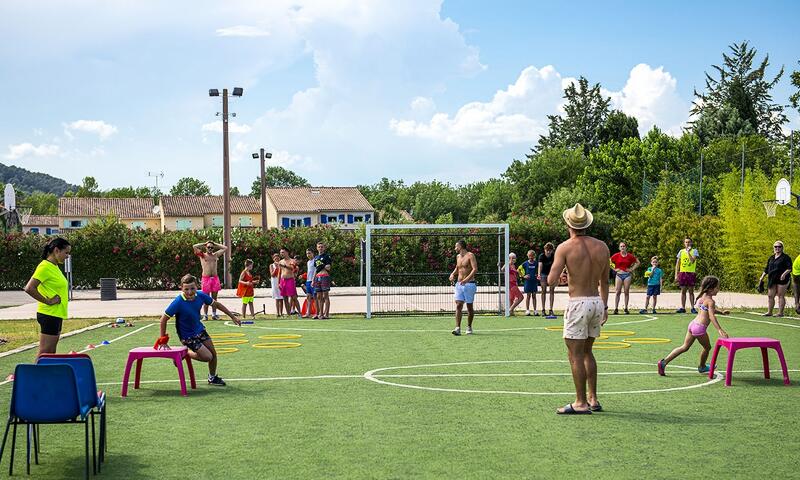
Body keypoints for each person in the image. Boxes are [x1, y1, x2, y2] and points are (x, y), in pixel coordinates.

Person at [549, 204, 609, 415]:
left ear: (569, 224)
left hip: (578, 303)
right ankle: (593, 398)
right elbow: (605, 281)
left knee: (574, 355)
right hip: (596, 302)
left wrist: (564, 273)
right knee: (587, 352)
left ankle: (580, 402)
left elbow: (551, 280)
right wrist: (605, 306)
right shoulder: (602, 246)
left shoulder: (564, 247)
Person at [156, 274, 241, 386]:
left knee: (213, 354)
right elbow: (163, 320)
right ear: (181, 288)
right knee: (207, 357)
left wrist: (232, 316)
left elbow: (217, 304)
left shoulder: (201, 295)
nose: (190, 292)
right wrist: (163, 341)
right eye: (186, 289)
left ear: (197, 287)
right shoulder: (178, 302)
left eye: (192, 288)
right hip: (187, 336)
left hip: (199, 330)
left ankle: (212, 378)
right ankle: (185, 353)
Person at [658, 275, 729, 375]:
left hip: (693, 324)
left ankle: (663, 362)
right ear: (711, 289)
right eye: (717, 287)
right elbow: (711, 316)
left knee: (684, 347)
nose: (718, 289)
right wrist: (719, 329)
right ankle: (702, 367)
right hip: (699, 328)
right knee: (707, 348)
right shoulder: (711, 301)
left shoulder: (702, 297)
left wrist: (721, 312)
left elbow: (707, 310)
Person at [24, 237, 71, 356]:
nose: (67, 256)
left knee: (51, 352)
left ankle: (46, 374)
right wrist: (48, 301)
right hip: (49, 314)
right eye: (66, 252)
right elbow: (29, 288)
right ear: (56, 250)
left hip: (56, 314)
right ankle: (34, 375)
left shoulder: (54, 267)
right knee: (45, 352)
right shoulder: (44, 266)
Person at [192, 241, 227, 320]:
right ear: (206, 248)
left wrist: (214, 243)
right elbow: (194, 246)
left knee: (214, 299)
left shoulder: (215, 255)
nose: (210, 249)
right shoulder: (203, 255)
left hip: (215, 278)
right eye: (208, 247)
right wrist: (204, 243)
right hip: (206, 279)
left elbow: (225, 248)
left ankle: (214, 315)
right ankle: (205, 315)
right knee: (206, 298)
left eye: (211, 247)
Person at [449, 239, 478, 335]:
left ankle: (469, 326)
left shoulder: (470, 255)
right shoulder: (458, 256)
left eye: (456, 246)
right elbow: (458, 268)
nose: (455, 248)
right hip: (459, 285)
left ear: (460, 246)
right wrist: (453, 274)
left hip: (469, 285)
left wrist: (466, 280)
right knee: (458, 305)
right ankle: (457, 328)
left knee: (469, 307)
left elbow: (474, 269)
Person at [758, 240, 792, 317]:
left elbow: (789, 268)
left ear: (782, 248)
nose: (777, 248)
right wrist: (762, 277)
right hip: (772, 278)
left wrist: (784, 274)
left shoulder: (786, 257)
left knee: (780, 295)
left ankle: (780, 313)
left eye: (779, 247)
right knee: (770, 295)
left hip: (782, 279)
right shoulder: (771, 258)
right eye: (775, 247)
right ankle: (769, 312)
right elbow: (766, 269)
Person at [610, 242, 639, 315]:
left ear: (626, 247)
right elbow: (609, 262)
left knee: (626, 292)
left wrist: (632, 269)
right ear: (619, 248)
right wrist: (614, 269)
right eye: (621, 246)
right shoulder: (616, 255)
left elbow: (638, 262)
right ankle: (616, 308)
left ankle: (626, 308)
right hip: (619, 275)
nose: (622, 247)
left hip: (627, 275)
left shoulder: (629, 256)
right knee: (617, 292)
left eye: (624, 246)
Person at [675, 237, 699, 313]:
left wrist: (688, 252)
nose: (687, 243)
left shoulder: (694, 251)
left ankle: (692, 307)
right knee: (683, 291)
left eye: (689, 242)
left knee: (691, 291)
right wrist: (676, 274)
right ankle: (683, 307)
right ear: (684, 243)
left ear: (691, 243)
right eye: (686, 242)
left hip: (691, 273)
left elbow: (692, 261)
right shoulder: (681, 252)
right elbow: (677, 264)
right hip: (683, 273)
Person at [279, 247, 301, 316]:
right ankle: (288, 314)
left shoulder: (292, 261)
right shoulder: (281, 261)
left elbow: (292, 268)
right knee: (285, 298)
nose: (281, 254)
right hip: (283, 281)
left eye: (283, 252)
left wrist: (285, 266)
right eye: (281, 252)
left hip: (290, 280)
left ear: (287, 252)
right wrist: (278, 283)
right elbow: (279, 272)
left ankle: (300, 313)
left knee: (294, 297)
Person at [312, 242, 333, 319]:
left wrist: (323, 265)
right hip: (317, 277)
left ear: (324, 248)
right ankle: (320, 313)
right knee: (318, 296)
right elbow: (316, 270)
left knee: (325, 296)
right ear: (317, 248)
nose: (320, 248)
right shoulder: (316, 257)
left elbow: (328, 267)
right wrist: (313, 280)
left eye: (322, 247)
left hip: (324, 276)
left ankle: (326, 314)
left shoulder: (327, 256)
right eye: (319, 247)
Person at [538, 243, 556, 317]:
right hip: (543, 274)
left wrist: (556, 275)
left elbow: (556, 265)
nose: (548, 252)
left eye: (550, 250)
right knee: (543, 290)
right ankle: (543, 309)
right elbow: (540, 265)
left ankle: (551, 309)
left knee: (552, 290)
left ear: (552, 250)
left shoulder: (553, 256)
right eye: (547, 250)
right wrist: (539, 274)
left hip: (551, 274)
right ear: (545, 250)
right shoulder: (541, 256)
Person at [521, 250, 539, 316]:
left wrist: (538, 274)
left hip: (534, 282)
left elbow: (539, 270)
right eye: (529, 256)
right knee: (528, 296)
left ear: (534, 256)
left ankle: (535, 310)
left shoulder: (536, 263)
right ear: (528, 256)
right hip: (527, 282)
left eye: (532, 256)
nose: (531, 257)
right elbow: (518, 270)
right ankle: (527, 310)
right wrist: (523, 276)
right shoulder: (525, 263)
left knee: (534, 296)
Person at [269, 253, 285, 317]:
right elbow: (272, 274)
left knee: (281, 298)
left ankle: (281, 312)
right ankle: (277, 313)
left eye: (278, 257)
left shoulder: (282, 264)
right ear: (273, 259)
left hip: (281, 281)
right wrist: (276, 268)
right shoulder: (271, 265)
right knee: (277, 298)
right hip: (275, 281)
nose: (276, 258)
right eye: (275, 257)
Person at [303, 248, 317, 318]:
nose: (308, 255)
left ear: (313, 253)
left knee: (315, 297)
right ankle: (308, 312)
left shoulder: (316, 260)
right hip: (308, 281)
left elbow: (316, 271)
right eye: (307, 253)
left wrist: (314, 280)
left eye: (309, 253)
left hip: (314, 281)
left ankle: (317, 312)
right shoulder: (308, 262)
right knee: (308, 297)